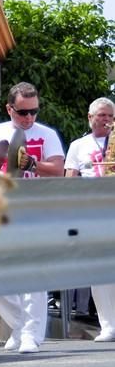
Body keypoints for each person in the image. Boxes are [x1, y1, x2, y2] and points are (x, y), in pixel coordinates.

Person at [0, 82, 64, 353]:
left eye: (34, 111)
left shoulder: (47, 134)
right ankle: (21, 325)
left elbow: (57, 170)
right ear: (10, 108)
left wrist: (31, 164)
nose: (30, 118)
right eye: (23, 112)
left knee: (32, 273)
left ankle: (31, 334)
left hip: (35, 210)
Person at [64, 97, 115, 342]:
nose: (106, 119)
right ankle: (108, 326)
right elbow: (69, 179)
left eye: (110, 115)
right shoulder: (78, 145)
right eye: (101, 115)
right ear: (90, 117)